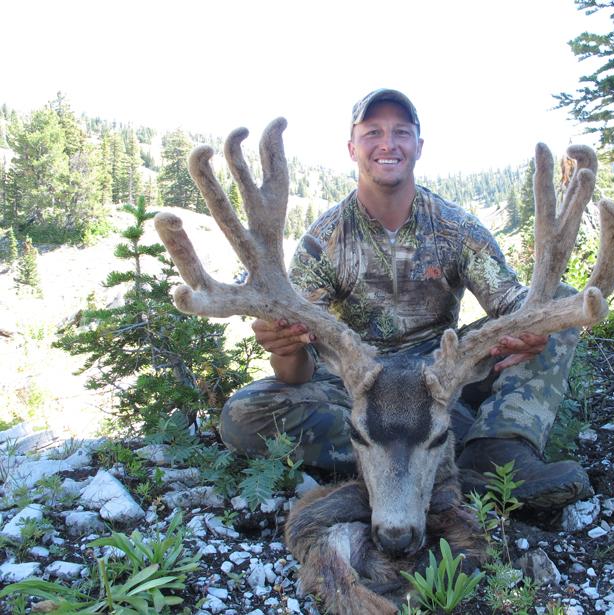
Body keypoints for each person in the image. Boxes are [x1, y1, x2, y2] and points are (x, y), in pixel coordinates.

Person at [220, 89, 591, 511]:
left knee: (554, 305)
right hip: (361, 386)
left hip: (441, 379)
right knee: (243, 415)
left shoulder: (456, 228)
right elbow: (299, 371)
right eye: (373, 132)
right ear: (352, 147)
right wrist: (284, 347)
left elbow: (511, 301)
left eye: (401, 132)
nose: (388, 143)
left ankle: (498, 450)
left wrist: (530, 331)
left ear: (418, 146)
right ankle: (434, 452)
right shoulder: (324, 243)